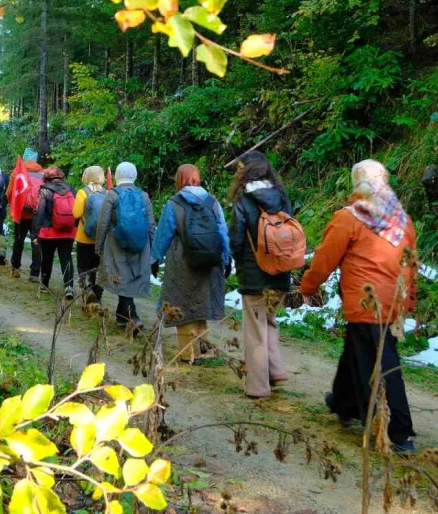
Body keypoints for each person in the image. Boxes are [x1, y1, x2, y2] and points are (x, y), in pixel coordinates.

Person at [300, 159, 418, 454]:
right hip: (393, 299)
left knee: (380, 364)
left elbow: (325, 258)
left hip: (367, 302)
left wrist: (308, 286)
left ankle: (398, 431)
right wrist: (409, 298)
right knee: (357, 349)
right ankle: (344, 402)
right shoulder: (401, 220)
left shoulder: (349, 218)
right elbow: (410, 263)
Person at [229, 151, 293, 398]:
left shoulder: (244, 202)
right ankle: (276, 371)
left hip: (254, 275)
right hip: (281, 273)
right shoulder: (282, 198)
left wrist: (239, 266)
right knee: (268, 321)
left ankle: (257, 387)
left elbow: (236, 240)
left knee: (255, 329)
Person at [152, 164, 230, 362]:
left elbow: (163, 234)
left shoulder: (173, 203)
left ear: (179, 179)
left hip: (182, 259)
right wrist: (226, 258)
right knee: (202, 301)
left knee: (182, 304)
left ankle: (188, 354)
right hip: (210, 259)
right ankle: (204, 346)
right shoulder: (212, 202)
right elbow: (222, 231)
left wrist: (155, 258)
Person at [96, 162, 156, 332]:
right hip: (140, 244)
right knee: (129, 279)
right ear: (135, 175)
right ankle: (122, 317)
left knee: (121, 277)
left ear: (117, 175)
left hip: (116, 243)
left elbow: (103, 223)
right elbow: (151, 224)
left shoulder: (111, 195)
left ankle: (133, 317)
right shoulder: (143, 196)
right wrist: (153, 249)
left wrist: (98, 247)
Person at [33, 167, 77, 298]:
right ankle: (69, 287)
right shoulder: (71, 189)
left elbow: (39, 212)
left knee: (47, 258)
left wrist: (36, 232)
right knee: (66, 258)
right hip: (68, 231)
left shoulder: (45, 190)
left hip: (48, 232)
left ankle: (44, 284)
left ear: (46, 178)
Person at [8, 148, 44, 282]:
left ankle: (15, 268)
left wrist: (13, 206)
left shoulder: (17, 172)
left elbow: (10, 192)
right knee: (36, 242)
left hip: (21, 213)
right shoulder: (43, 173)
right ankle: (35, 273)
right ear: (35, 159)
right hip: (37, 214)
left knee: (18, 240)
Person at [73, 166, 107, 305]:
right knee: (97, 266)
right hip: (101, 238)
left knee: (83, 265)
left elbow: (76, 214)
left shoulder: (83, 192)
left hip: (84, 237)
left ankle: (87, 291)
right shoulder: (107, 192)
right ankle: (97, 294)